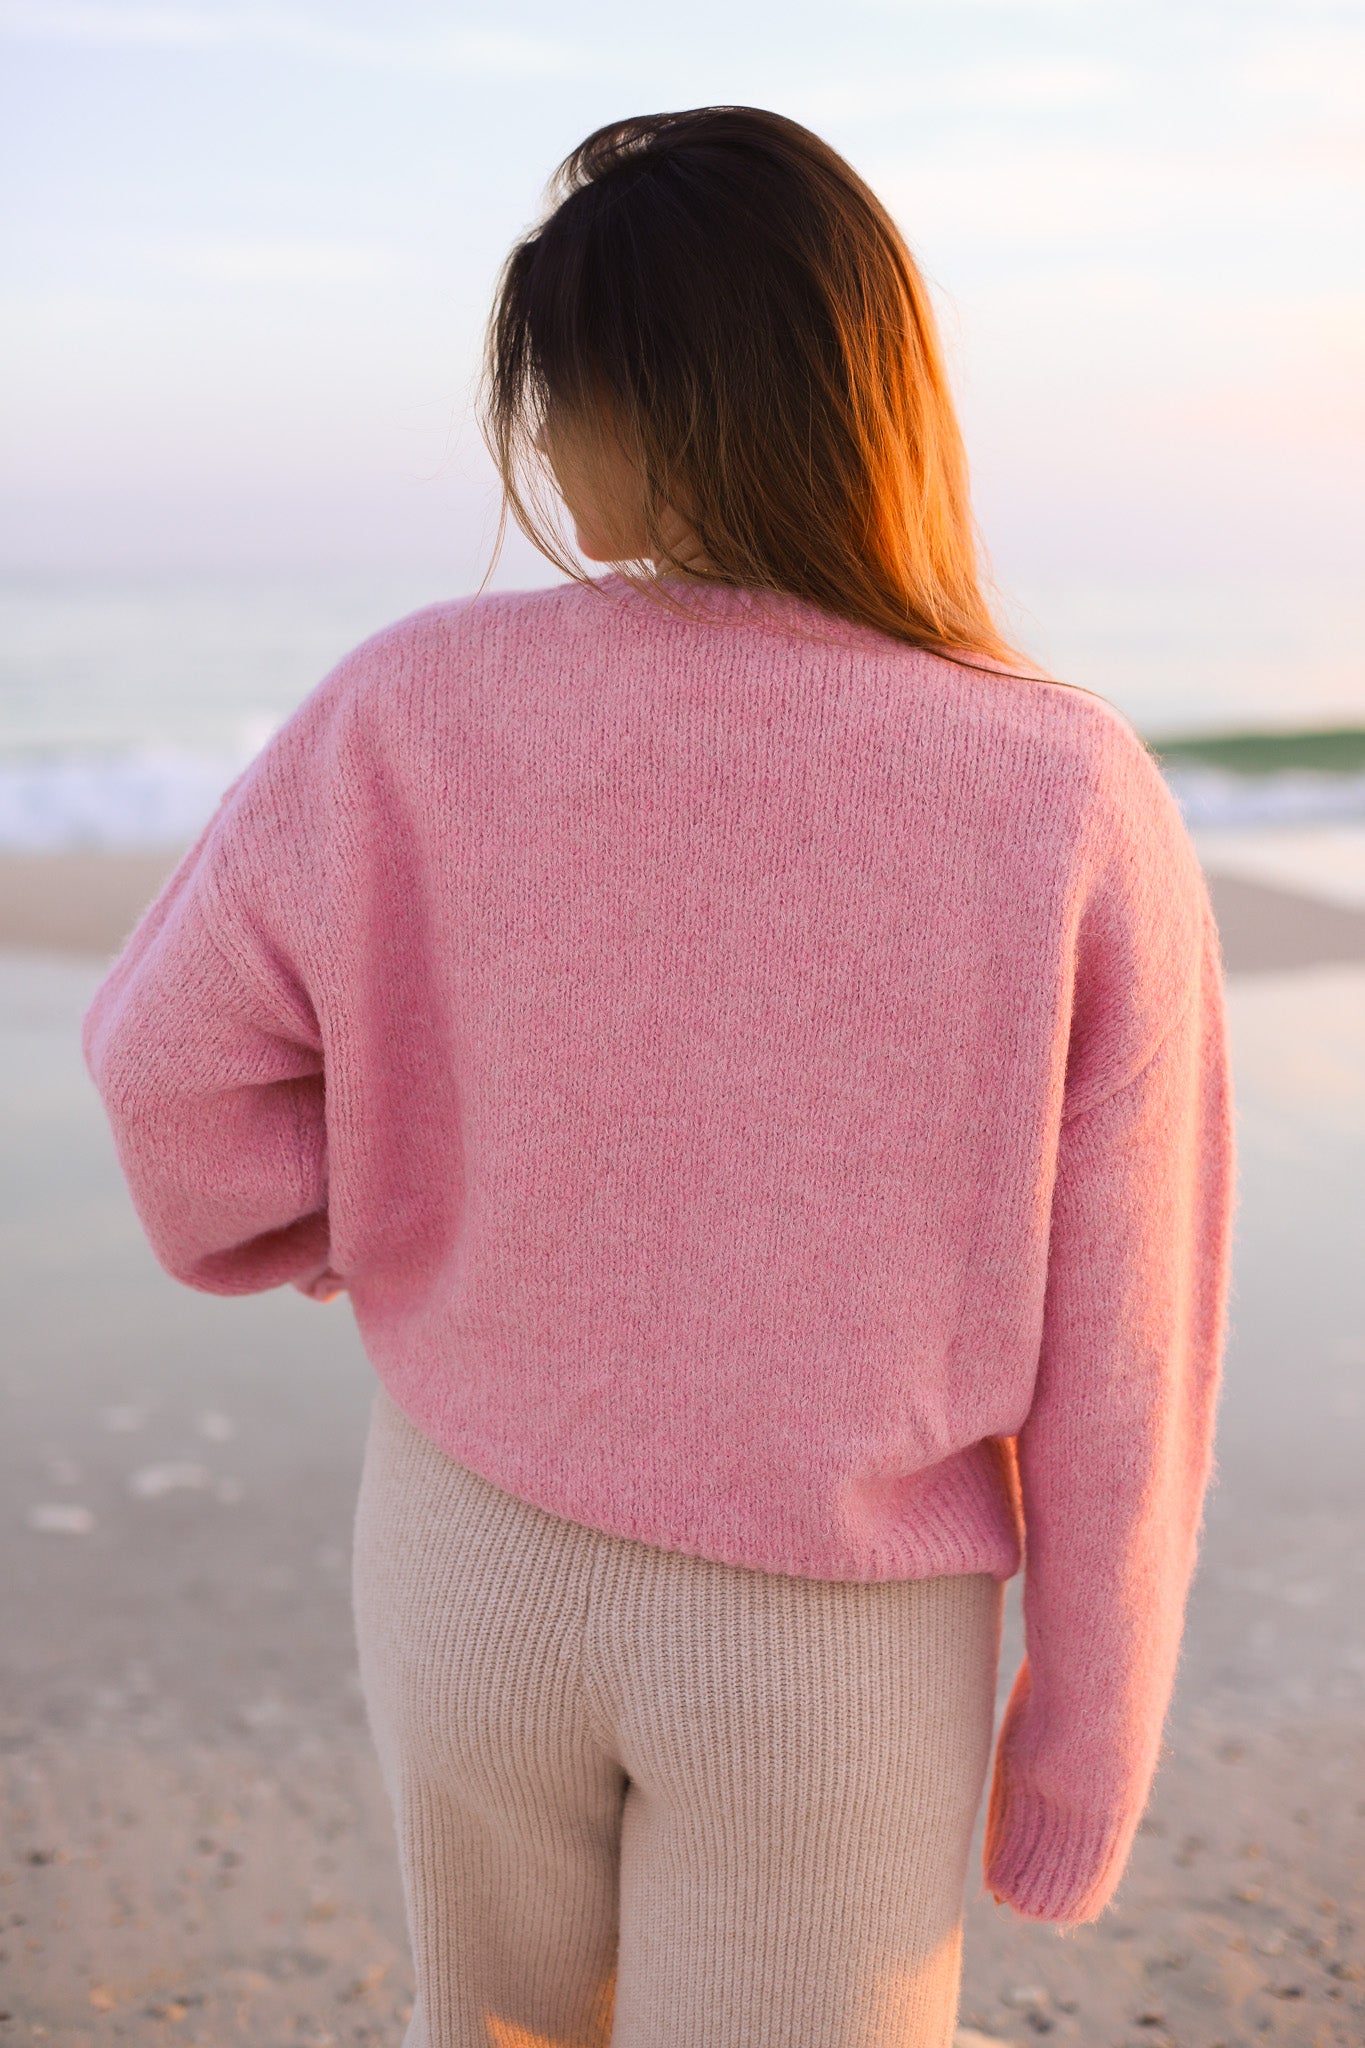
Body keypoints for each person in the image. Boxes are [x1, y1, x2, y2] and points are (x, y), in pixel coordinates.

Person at [81, 106, 1236, 2048]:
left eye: (554, 387)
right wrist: (1078, 1745)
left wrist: (334, 1224)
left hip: (458, 1545)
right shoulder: (1058, 793)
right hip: (824, 1637)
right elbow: (1129, 1355)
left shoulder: (406, 701)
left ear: (644, 397)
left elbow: (162, 1067)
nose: (534, 443)